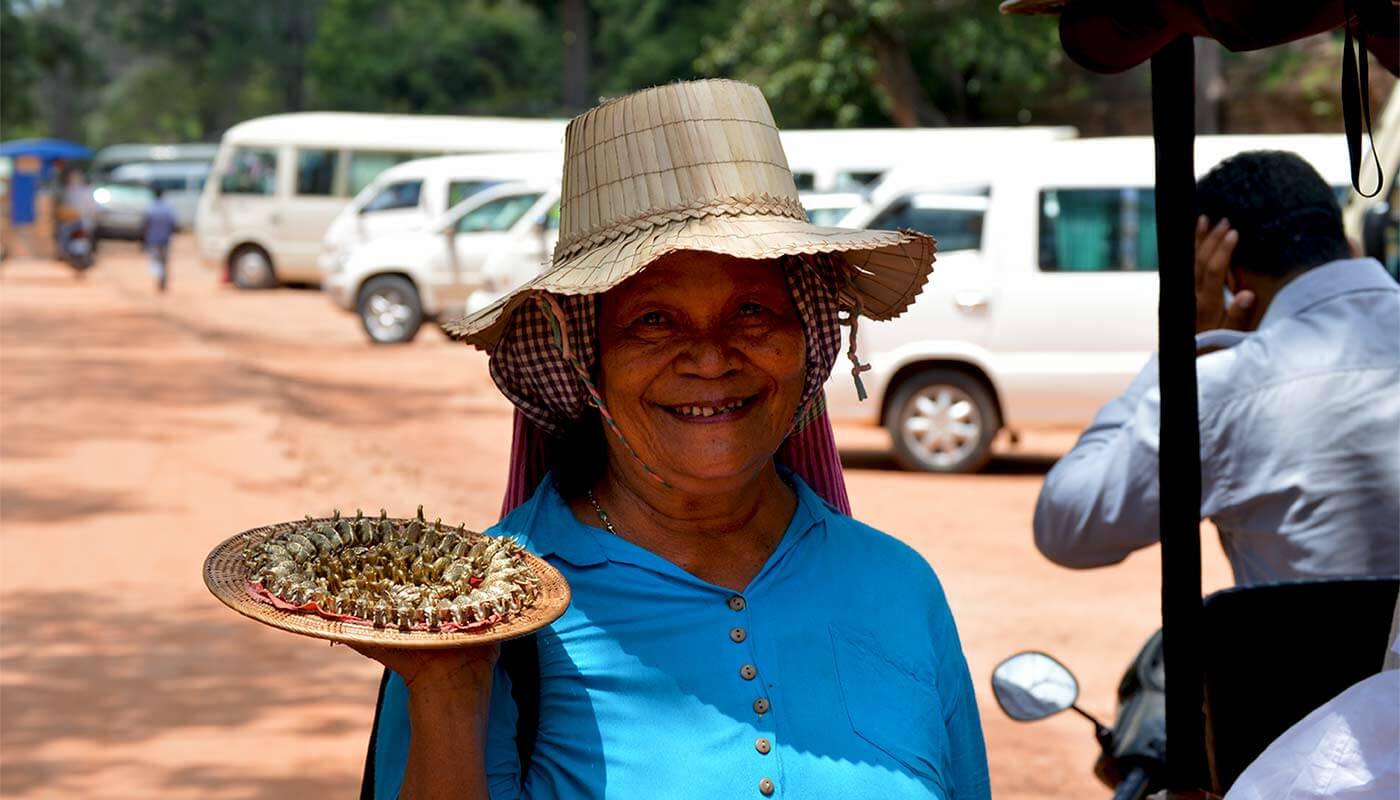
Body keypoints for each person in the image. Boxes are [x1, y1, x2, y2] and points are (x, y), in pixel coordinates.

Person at [355, 80, 990, 800]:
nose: (711, 357)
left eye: (752, 310)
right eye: (654, 321)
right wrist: (447, 689)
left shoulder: (898, 586)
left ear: (807, 341)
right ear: (584, 359)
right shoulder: (479, 616)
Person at [1034, 150, 1400, 585]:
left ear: (1228, 280)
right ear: (1350, 247)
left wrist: (1184, 348)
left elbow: (1065, 525)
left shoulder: (1223, 392)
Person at [141, 186, 177, 292]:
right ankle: (162, 280)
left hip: (153, 240)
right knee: (164, 261)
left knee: (155, 261)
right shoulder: (168, 208)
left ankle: (159, 279)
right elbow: (173, 224)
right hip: (165, 239)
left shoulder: (150, 208)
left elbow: (145, 224)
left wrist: (143, 239)